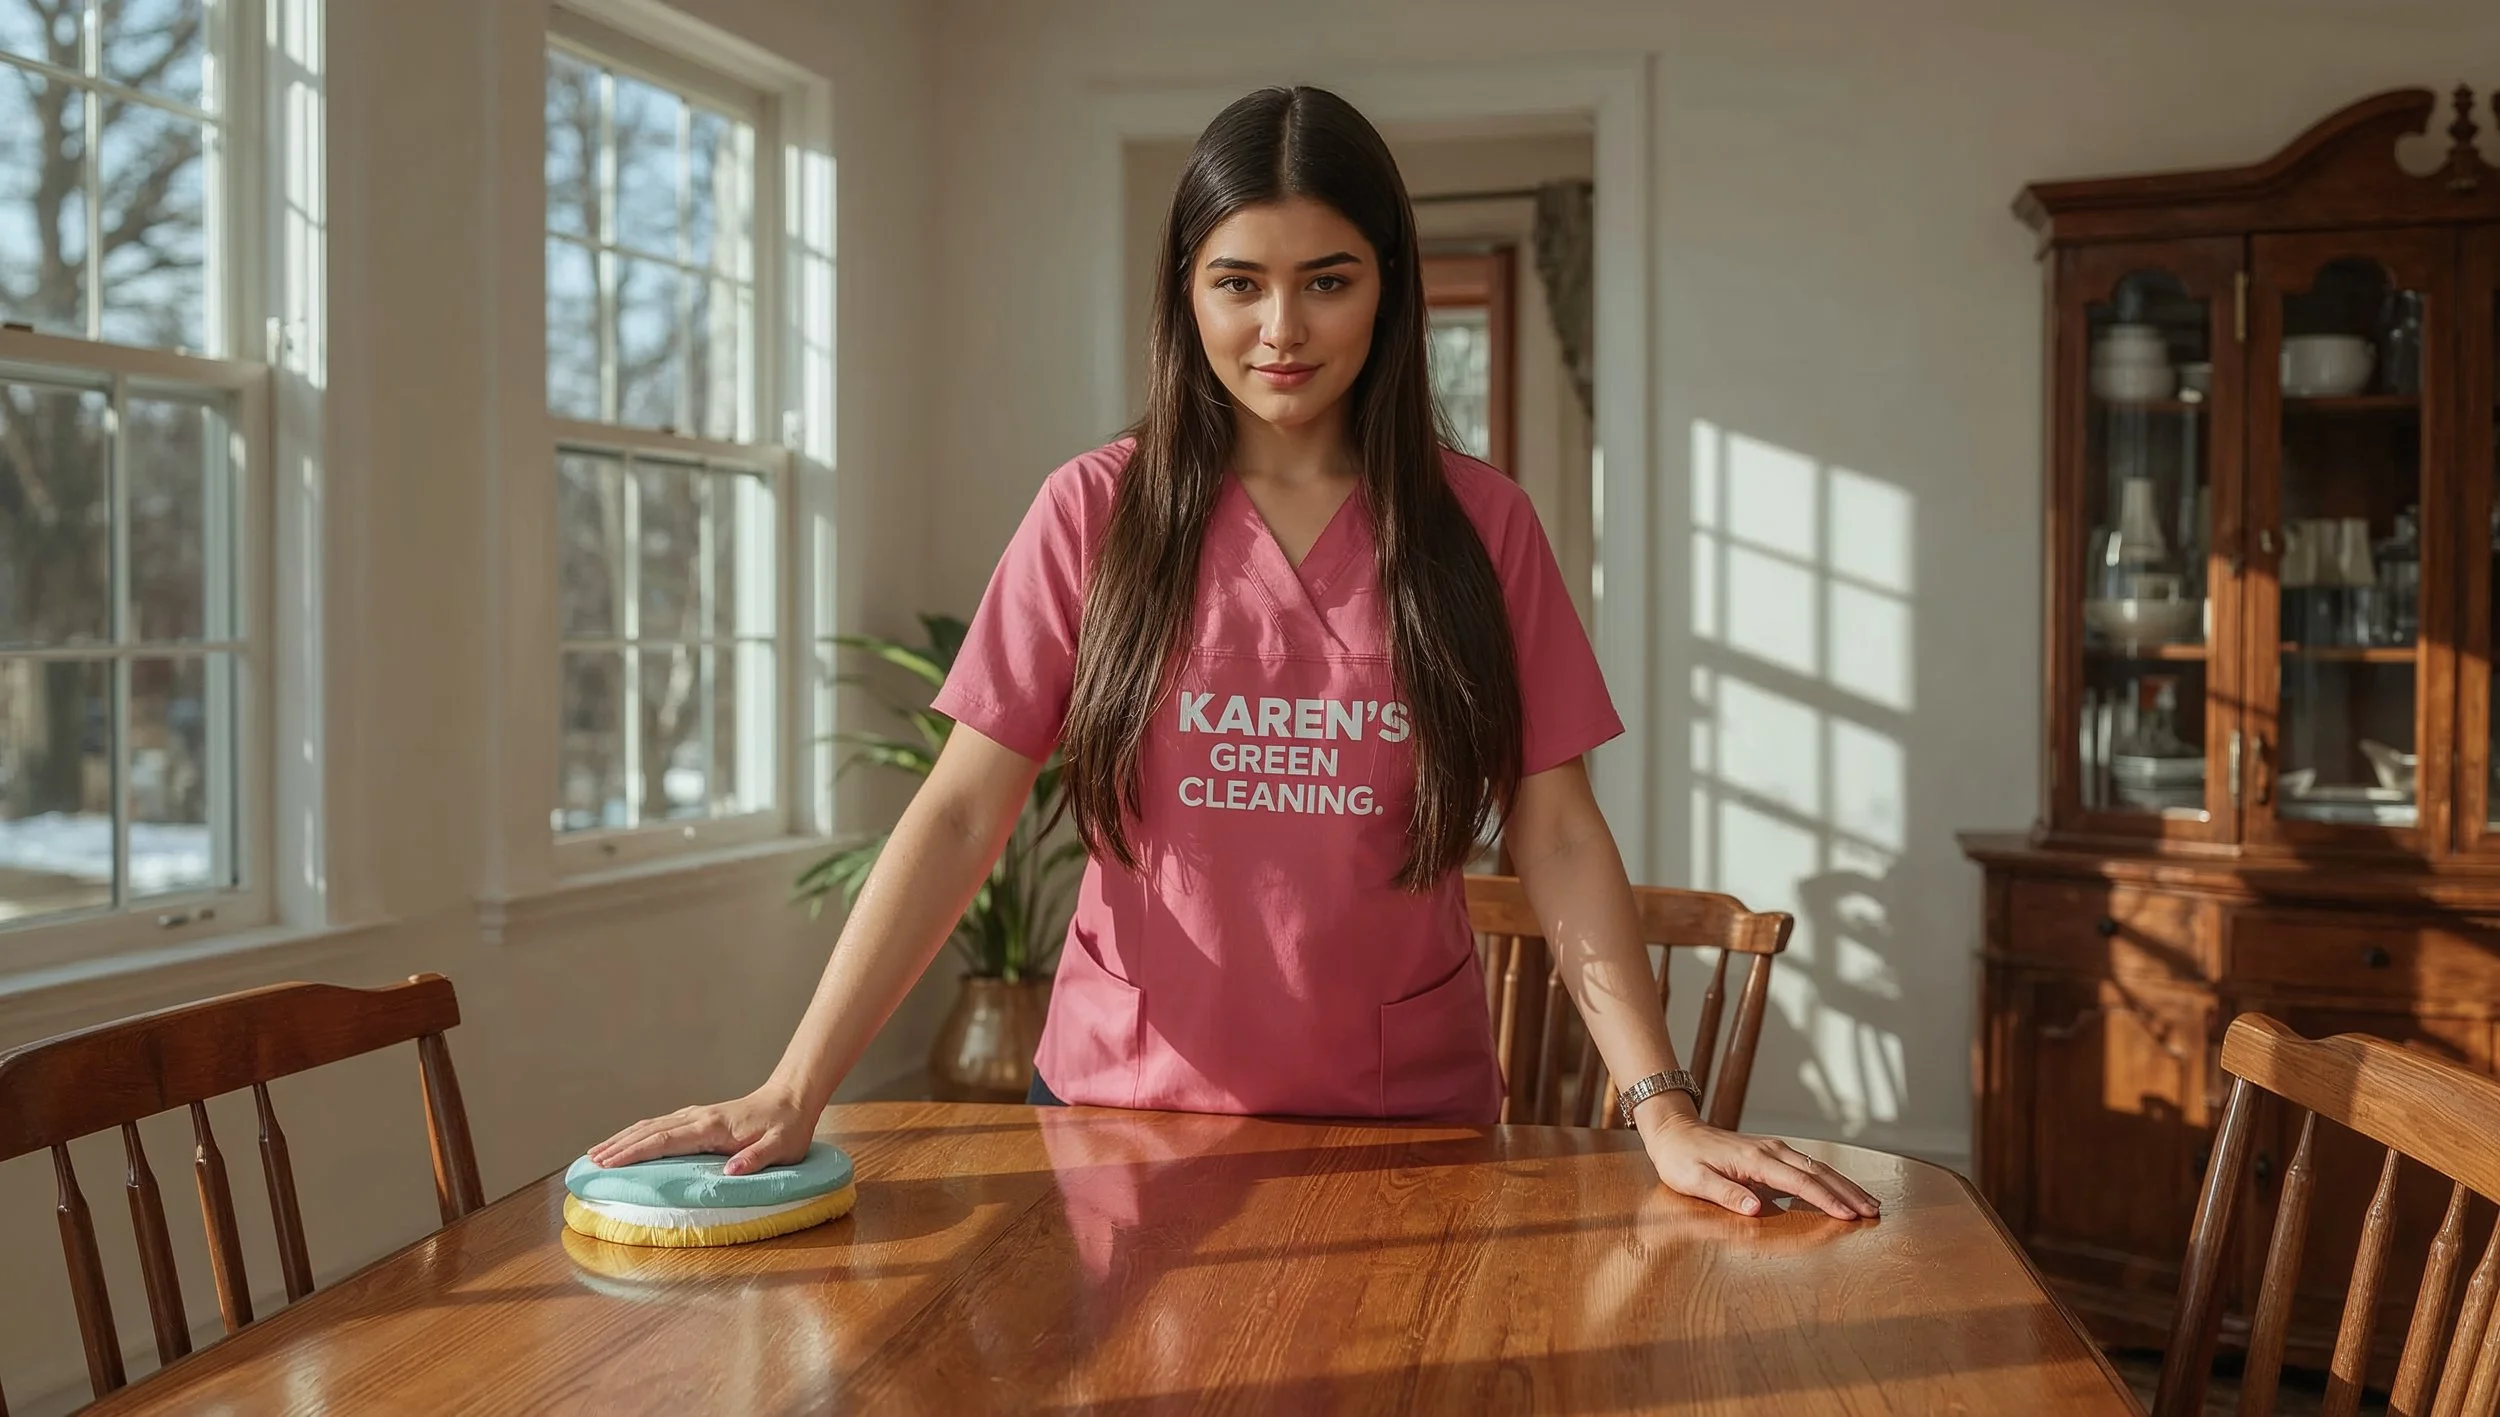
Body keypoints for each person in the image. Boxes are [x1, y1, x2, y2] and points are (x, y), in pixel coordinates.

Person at [591, 85, 1878, 1223]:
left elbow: (1557, 831)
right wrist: (796, 1084)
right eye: (1238, 282)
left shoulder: (1483, 525)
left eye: (1328, 280)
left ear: (1389, 284)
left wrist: (1661, 1107)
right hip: (1115, 1115)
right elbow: (962, 809)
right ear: (1185, 290)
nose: (1282, 329)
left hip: (1407, 1130)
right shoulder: (1091, 511)